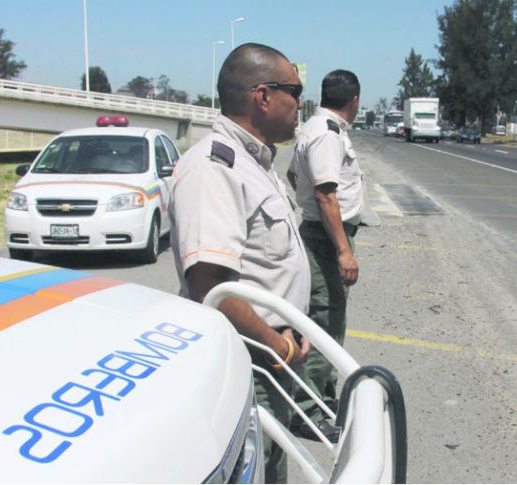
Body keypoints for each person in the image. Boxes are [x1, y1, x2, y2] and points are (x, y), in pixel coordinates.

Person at [168, 43, 310, 483]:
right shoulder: (216, 167)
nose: (300, 103)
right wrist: (278, 345)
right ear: (263, 96)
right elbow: (211, 289)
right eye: (294, 90)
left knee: (272, 469)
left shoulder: (256, 162)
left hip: (271, 355)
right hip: (251, 361)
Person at [286, 70, 364, 443]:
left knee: (326, 316)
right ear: (354, 100)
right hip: (326, 238)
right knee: (325, 319)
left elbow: (292, 175)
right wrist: (344, 250)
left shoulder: (313, 130)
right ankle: (309, 410)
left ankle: (322, 398)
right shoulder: (327, 135)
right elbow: (325, 195)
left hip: (321, 233)